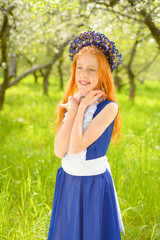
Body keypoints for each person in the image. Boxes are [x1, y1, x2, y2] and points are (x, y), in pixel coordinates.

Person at [47, 30, 125, 240]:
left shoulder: (109, 108)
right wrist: (74, 109)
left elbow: (76, 147)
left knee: (92, 233)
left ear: (103, 74)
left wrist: (82, 109)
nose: (84, 74)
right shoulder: (72, 101)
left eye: (92, 69)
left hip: (93, 185)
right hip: (68, 181)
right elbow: (59, 151)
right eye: (80, 68)